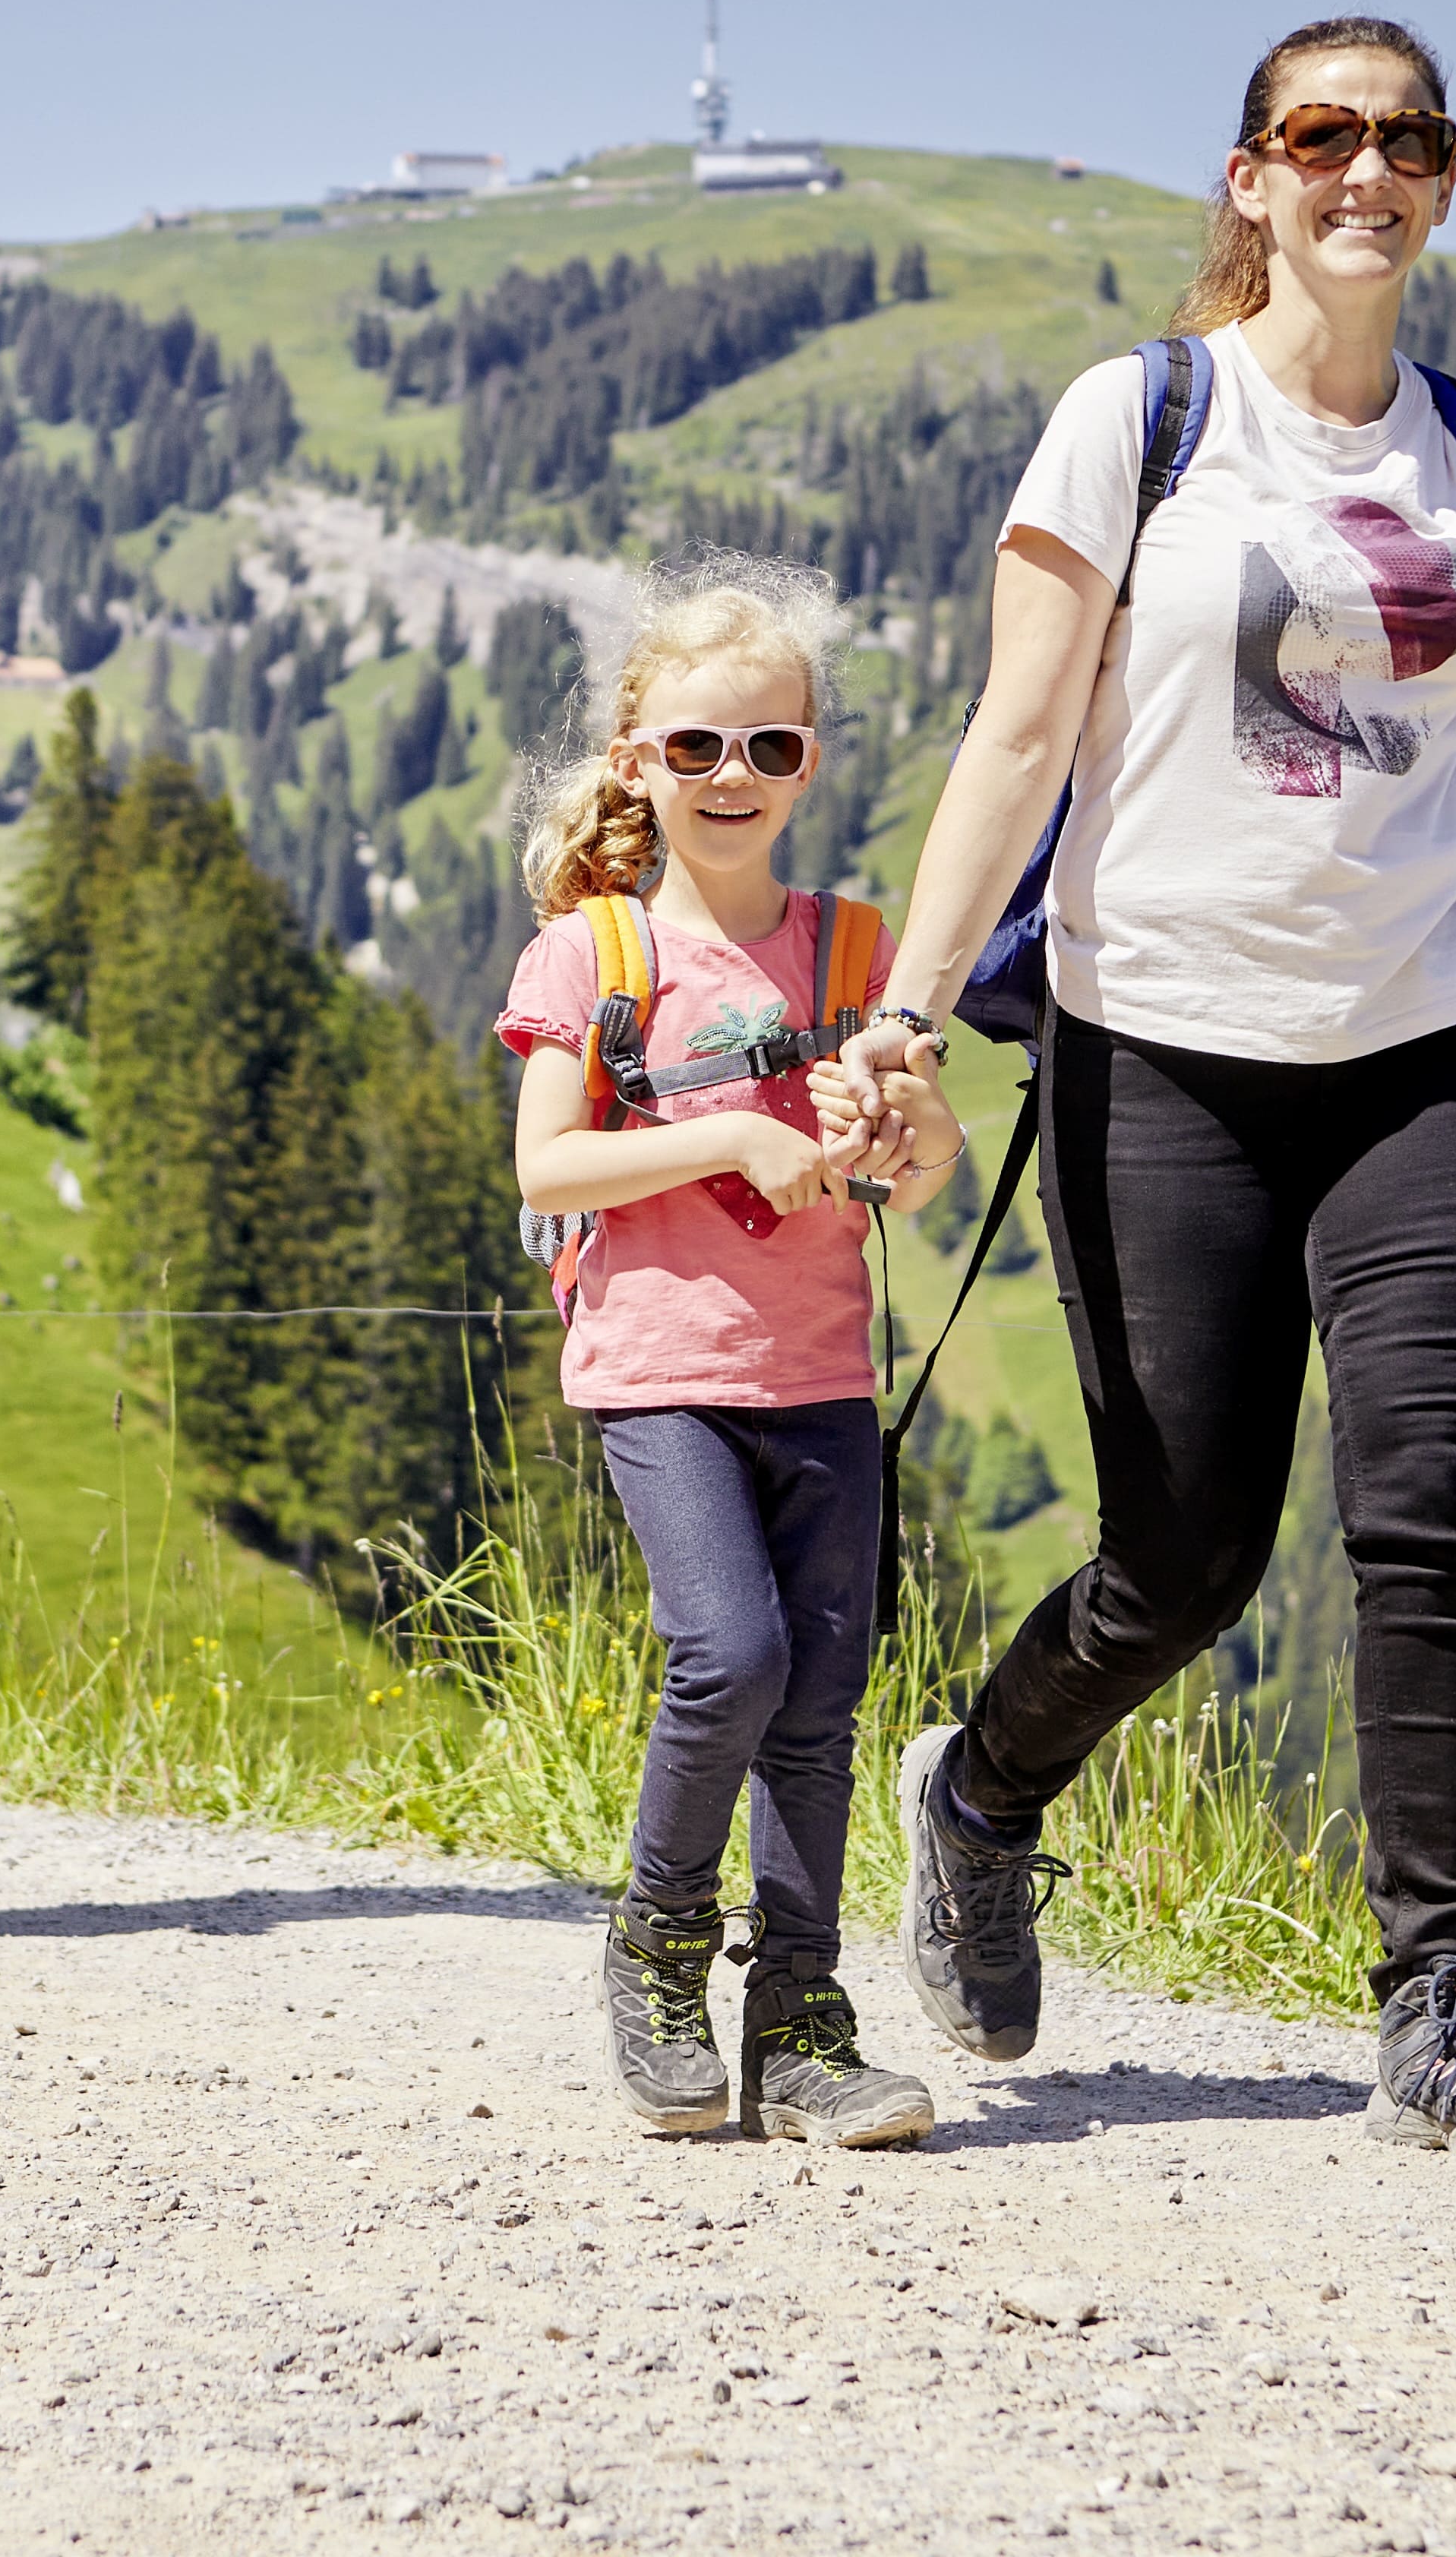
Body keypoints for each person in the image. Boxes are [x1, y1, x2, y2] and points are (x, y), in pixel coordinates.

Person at [837, 15, 1456, 2160]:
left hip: (1430, 1057)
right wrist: (903, 1014)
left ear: (1445, 184)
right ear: (1254, 178)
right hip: (1159, 1045)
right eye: (1324, 137)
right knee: (1184, 1559)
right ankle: (981, 1786)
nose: (1368, 172)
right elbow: (1016, 738)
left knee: (1426, 1516)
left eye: (1409, 141)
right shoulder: (1142, 419)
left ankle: (1440, 2015)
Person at [499, 564, 963, 2145]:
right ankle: (656, 1945)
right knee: (732, 1656)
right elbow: (547, 1168)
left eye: (771, 749)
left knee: (823, 1695)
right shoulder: (594, 951)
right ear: (636, 758)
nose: (732, 780)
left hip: (821, 1368)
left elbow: (913, 1167)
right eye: (695, 747)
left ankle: (803, 2022)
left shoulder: (856, 947)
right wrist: (731, 1144)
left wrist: (900, 1127)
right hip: (657, 1368)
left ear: (811, 765)